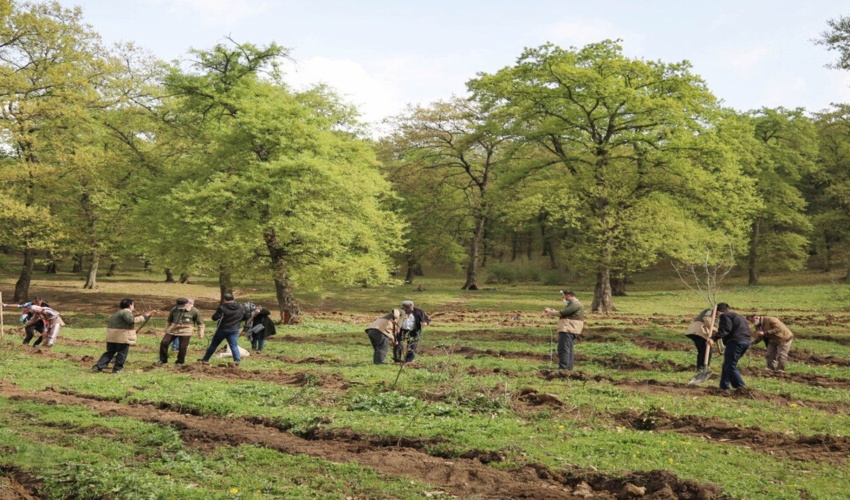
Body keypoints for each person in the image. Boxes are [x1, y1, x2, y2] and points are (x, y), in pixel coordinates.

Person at [92, 298, 155, 373]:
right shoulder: (126, 312)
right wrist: (146, 315)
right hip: (121, 337)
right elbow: (132, 320)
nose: (133, 306)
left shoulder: (117, 313)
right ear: (129, 305)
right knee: (122, 353)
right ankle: (117, 369)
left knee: (110, 352)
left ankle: (98, 366)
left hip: (112, 336)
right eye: (133, 304)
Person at [711, 303, 751, 391]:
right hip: (745, 341)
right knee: (727, 364)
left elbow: (725, 330)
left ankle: (740, 386)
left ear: (718, 312)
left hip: (735, 342)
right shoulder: (738, 316)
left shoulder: (724, 316)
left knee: (730, 365)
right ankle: (724, 387)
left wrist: (713, 338)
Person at [198, 293, 244, 365]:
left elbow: (215, 318)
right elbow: (244, 316)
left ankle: (205, 359)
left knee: (214, 345)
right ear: (233, 298)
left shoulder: (222, 307)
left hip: (223, 328)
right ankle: (237, 360)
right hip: (234, 329)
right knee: (233, 345)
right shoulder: (240, 307)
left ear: (224, 299)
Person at [544, 290, 585, 370]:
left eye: (563, 297)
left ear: (569, 296)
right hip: (572, 329)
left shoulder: (575, 304)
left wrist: (550, 312)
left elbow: (561, 313)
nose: (563, 299)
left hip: (568, 329)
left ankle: (563, 368)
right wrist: (553, 311)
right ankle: (568, 368)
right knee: (569, 349)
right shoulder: (574, 304)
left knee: (563, 348)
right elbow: (563, 312)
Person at [158, 298, 204, 365]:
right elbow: (169, 321)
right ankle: (163, 360)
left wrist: (201, 333)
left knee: (182, 346)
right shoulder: (174, 309)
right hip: (173, 329)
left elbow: (200, 323)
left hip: (186, 330)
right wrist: (166, 330)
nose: (179, 307)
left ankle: (180, 362)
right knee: (164, 342)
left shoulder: (194, 311)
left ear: (187, 304)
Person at [685, 307, 717, 373]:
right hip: (699, 331)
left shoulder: (714, 313)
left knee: (702, 350)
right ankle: (703, 368)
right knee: (706, 350)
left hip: (693, 330)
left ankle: (700, 368)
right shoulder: (711, 310)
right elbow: (706, 319)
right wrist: (713, 327)